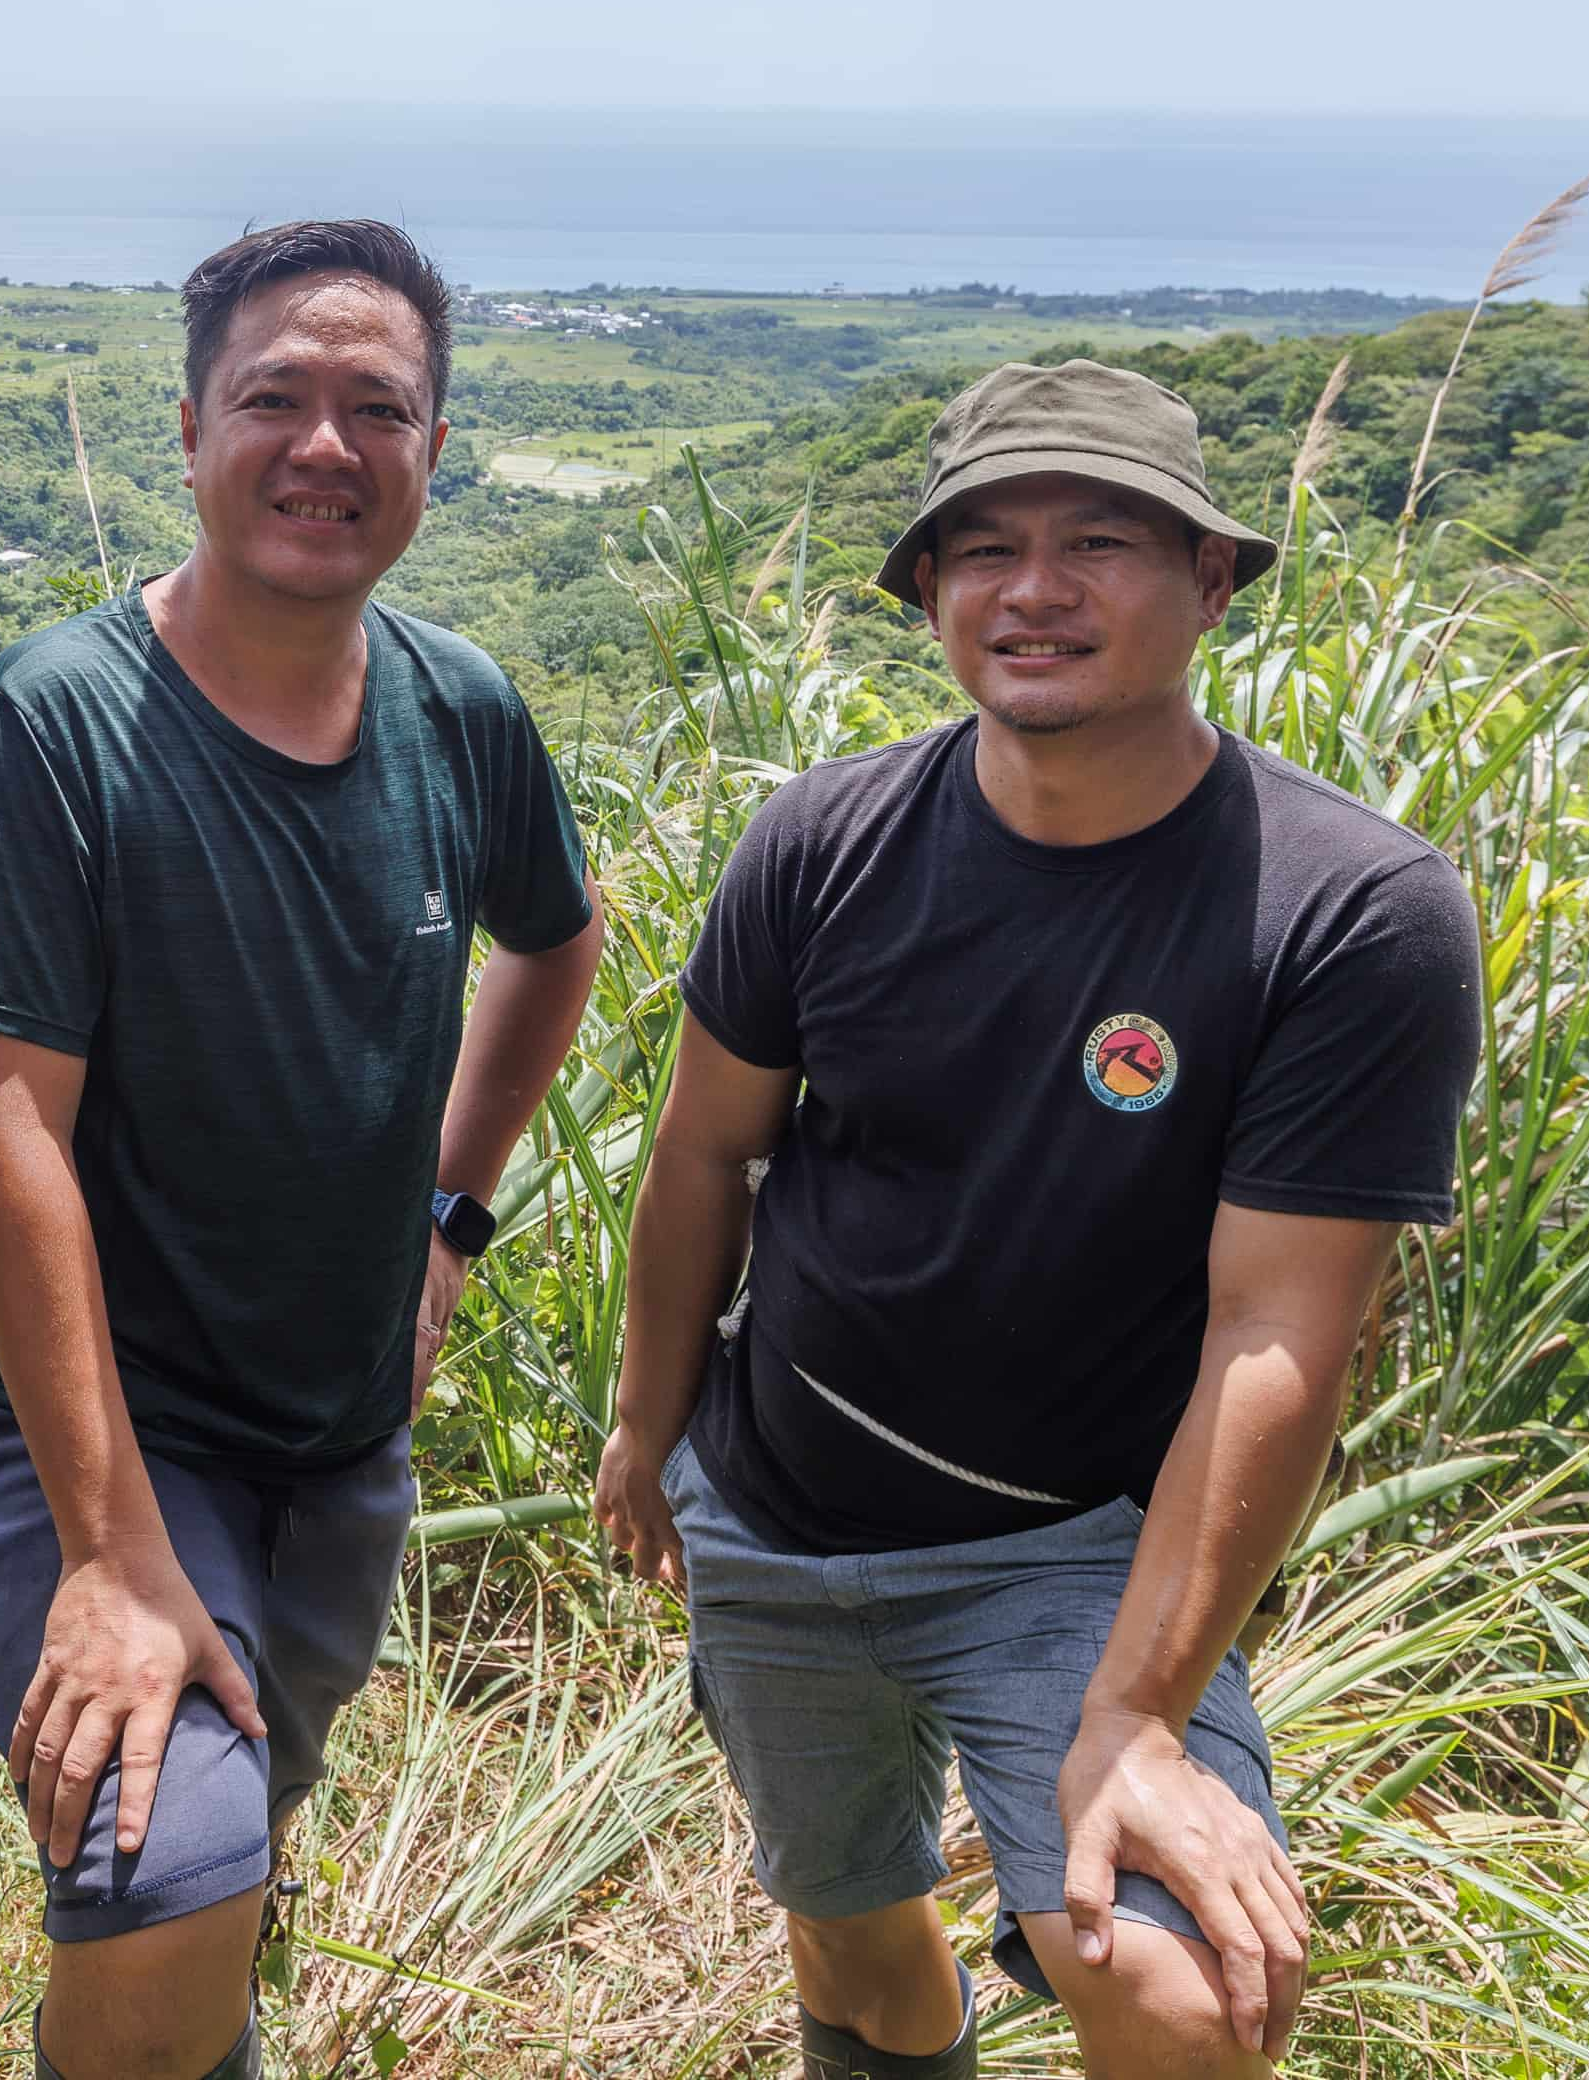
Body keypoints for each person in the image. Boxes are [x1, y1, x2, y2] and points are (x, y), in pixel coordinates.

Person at [593, 359, 1484, 2080]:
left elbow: (1280, 1331)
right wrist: (647, 1427)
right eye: (983, 546)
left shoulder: (1347, 909)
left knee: (1184, 1993)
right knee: (853, 1938)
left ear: (1212, 582)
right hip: (770, 1516)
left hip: (1073, 1551)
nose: (1035, 589)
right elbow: (705, 1155)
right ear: (928, 590)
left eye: (1102, 540)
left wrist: (1138, 1715)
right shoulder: (825, 840)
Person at [0, 218, 607, 2080]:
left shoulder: (458, 709)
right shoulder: (57, 724)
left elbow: (558, 939)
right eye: (275, 399)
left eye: (378, 408)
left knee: (238, 1838)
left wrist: (452, 1218)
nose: (326, 447)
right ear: (191, 426)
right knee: (173, 1861)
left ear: (433, 452)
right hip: (93, 1424)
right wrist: (111, 1554)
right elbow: (11, 1141)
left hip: (334, 1432)